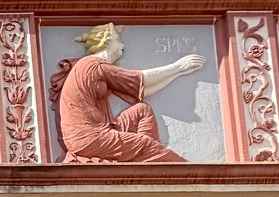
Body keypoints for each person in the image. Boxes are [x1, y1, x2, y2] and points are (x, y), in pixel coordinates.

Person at [52, 23, 200, 165]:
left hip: (100, 131)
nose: (122, 45)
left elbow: (143, 89)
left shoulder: (91, 66)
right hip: (87, 137)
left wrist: (178, 73)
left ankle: (144, 161)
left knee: (142, 110)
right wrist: (178, 67)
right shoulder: (94, 65)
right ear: (106, 42)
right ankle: (186, 170)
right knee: (144, 143)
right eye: (117, 40)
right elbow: (142, 80)